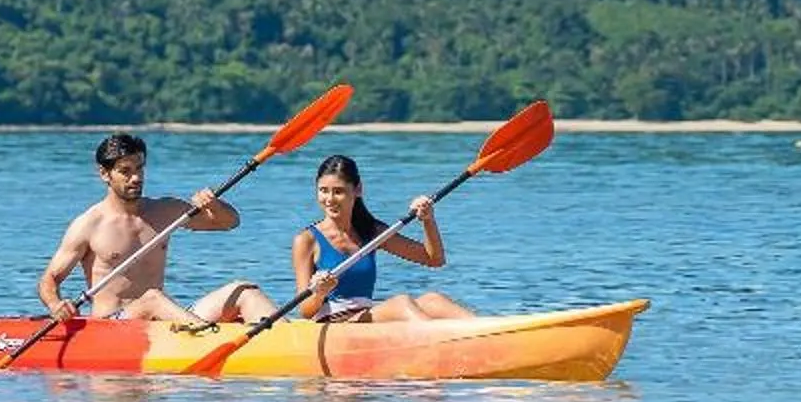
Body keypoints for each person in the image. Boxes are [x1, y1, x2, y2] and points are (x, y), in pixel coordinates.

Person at [36, 132, 262, 330]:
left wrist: (214, 205)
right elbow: (50, 279)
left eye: (139, 168)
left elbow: (229, 222)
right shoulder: (89, 225)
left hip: (162, 320)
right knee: (152, 298)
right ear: (105, 174)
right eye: (125, 171)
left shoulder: (165, 210)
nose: (136, 178)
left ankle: (288, 343)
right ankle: (210, 338)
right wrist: (56, 304)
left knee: (244, 291)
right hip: (113, 325)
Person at [291, 153, 474, 323]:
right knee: (402, 303)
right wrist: (319, 293)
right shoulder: (306, 240)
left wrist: (427, 220)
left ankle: (490, 334)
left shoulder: (372, 232)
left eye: (338, 191)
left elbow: (434, 259)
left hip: (367, 317)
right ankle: (440, 342)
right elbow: (305, 311)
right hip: (334, 324)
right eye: (323, 190)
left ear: (358, 190)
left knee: (435, 300)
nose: (329, 199)